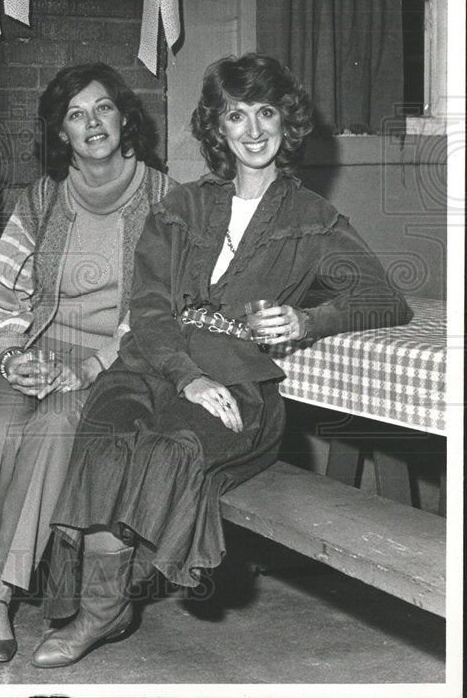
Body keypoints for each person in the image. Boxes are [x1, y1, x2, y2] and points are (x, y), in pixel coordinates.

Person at [32, 53, 412, 668]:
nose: (254, 130)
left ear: (287, 124)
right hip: (152, 367)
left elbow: (381, 297)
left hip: (237, 385)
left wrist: (309, 319)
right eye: (238, 115)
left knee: (166, 449)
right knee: (108, 437)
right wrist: (188, 374)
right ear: (219, 129)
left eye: (266, 113)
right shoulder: (182, 206)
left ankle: (99, 613)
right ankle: (102, 607)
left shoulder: (311, 219)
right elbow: (150, 308)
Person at [0, 63, 173, 663]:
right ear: (61, 133)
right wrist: (12, 355)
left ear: (123, 115)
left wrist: (90, 366)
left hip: (115, 361)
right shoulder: (42, 199)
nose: (92, 124)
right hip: (35, 348)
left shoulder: (165, 199)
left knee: (55, 427)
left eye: (102, 108)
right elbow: (1, 288)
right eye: (75, 115)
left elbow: (163, 309)